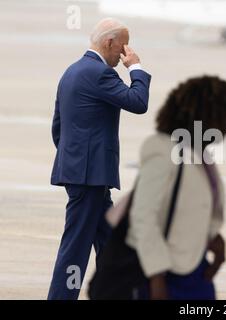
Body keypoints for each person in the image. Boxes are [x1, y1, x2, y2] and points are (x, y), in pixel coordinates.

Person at [48, 18, 151, 300]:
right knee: (76, 248)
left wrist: (74, 161)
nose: (125, 52)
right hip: (89, 176)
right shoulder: (99, 73)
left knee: (111, 241)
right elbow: (138, 102)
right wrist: (136, 68)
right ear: (109, 42)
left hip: (84, 174)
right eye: (123, 45)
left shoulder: (72, 71)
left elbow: (59, 128)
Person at [125, 76, 226, 299]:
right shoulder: (164, 152)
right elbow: (143, 216)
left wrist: (214, 237)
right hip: (164, 275)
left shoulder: (200, 155)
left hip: (195, 270)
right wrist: (157, 278)